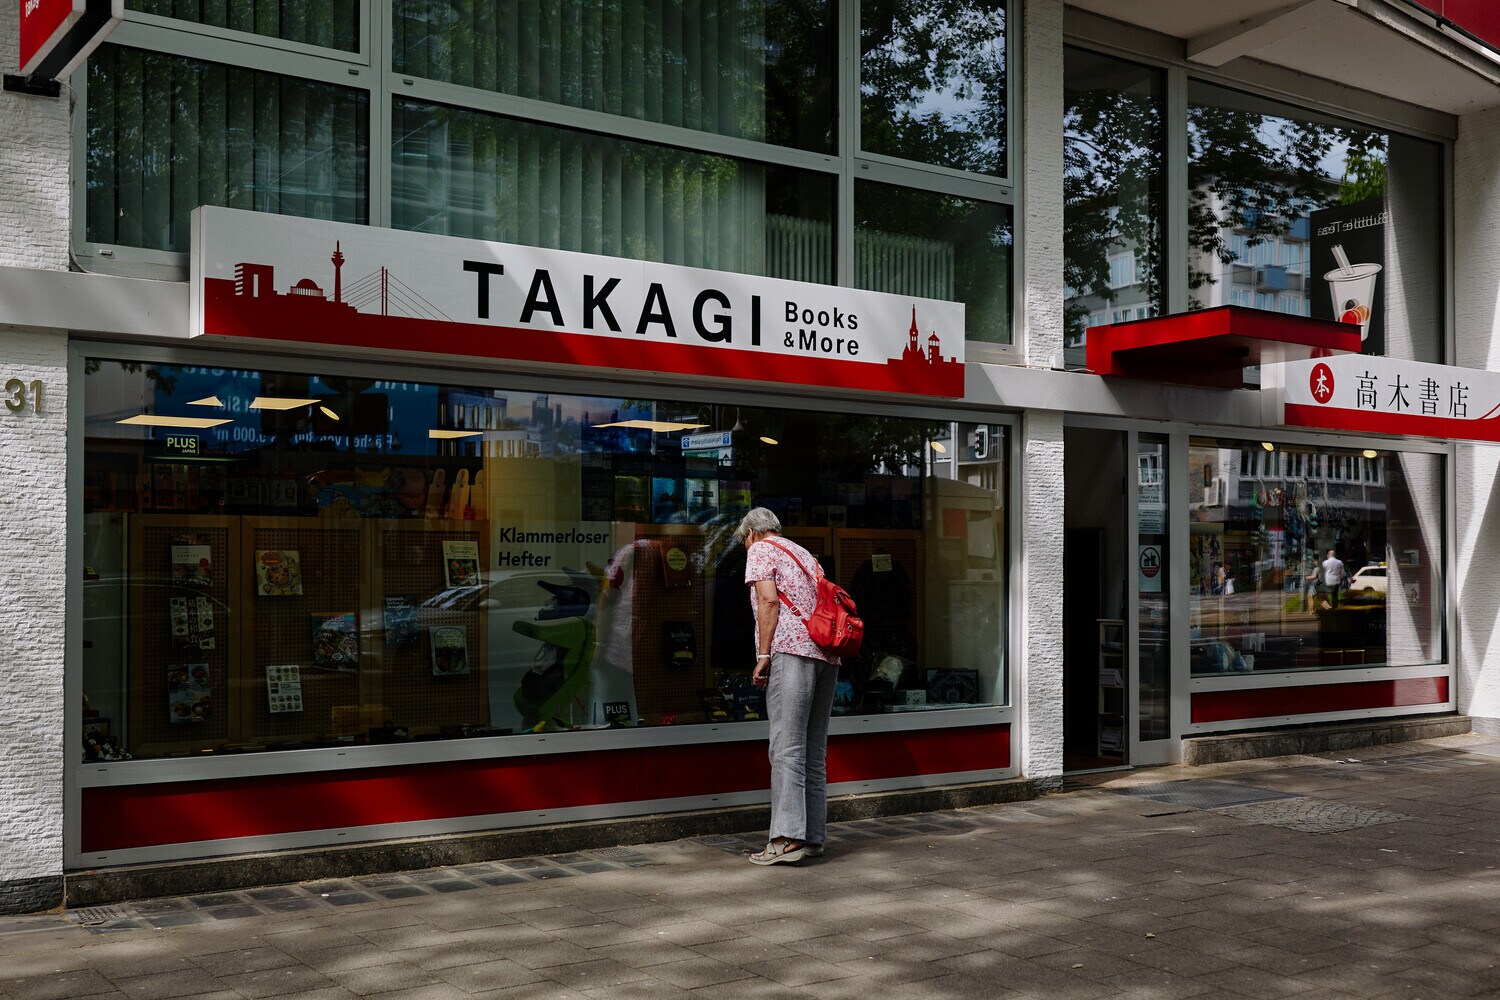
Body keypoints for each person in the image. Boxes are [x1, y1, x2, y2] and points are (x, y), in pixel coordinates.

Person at [738, 507, 838, 866]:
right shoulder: (805, 554)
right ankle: (813, 837)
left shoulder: (760, 551)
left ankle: (784, 840)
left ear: (751, 533)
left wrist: (763, 654)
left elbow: (768, 600)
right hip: (826, 655)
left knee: (786, 747)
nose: (744, 547)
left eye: (742, 541)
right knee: (813, 749)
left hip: (791, 652)